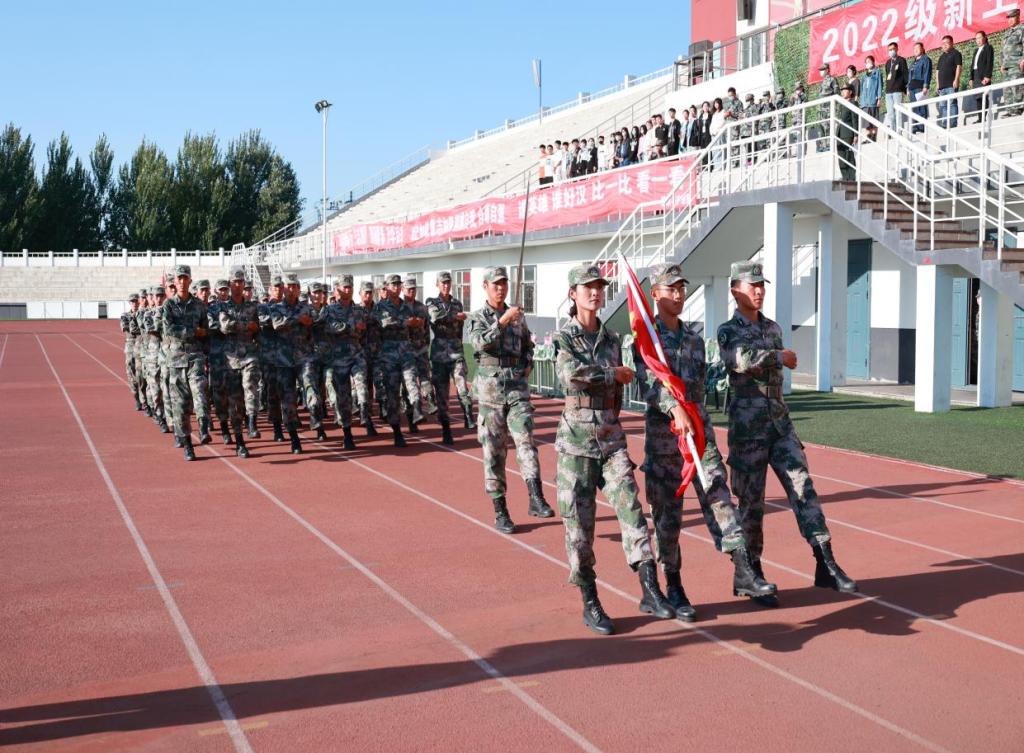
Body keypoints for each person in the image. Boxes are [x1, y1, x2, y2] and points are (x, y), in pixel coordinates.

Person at [636, 264, 776, 619]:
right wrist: (673, 409)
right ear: (655, 294)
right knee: (668, 518)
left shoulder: (694, 338)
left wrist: (693, 416)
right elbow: (647, 383)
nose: (678, 294)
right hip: (664, 440)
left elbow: (698, 388)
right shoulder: (646, 338)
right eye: (671, 289)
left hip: (699, 433)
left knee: (718, 493)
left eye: (682, 288)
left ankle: (743, 567)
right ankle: (674, 586)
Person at [717, 261, 857, 600]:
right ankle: (751, 574)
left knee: (803, 487)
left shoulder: (773, 328)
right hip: (748, 432)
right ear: (735, 290)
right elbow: (740, 360)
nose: (759, 291)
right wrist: (777, 356)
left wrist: (775, 355)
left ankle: (825, 562)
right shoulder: (727, 330)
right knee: (751, 505)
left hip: (780, 425)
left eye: (761, 285)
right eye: (752, 285)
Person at [554, 264, 675, 635]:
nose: (595, 292)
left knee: (632, 510)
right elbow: (570, 375)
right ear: (573, 293)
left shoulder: (611, 338)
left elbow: (624, 385)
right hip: (576, 443)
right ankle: (590, 599)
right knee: (579, 527)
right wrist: (610, 374)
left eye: (599, 286)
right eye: (587, 287)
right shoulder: (564, 337)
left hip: (611, 437)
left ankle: (649, 587)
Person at [467, 265, 553, 533]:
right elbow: (479, 343)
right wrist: (503, 320)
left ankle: (535, 496)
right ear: (485, 287)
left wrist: (527, 363)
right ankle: (500, 511)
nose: (501, 288)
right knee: (494, 453)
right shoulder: (477, 317)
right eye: (496, 284)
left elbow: (528, 345)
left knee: (526, 440)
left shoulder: (518, 316)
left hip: (517, 389)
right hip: (490, 393)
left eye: (503, 283)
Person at [162, 264, 212, 460]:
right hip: (175, 360)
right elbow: (169, 329)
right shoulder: (168, 305)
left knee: (200, 392)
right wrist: (192, 331)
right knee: (181, 406)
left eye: (185, 278)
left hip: (195, 356)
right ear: (175, 282)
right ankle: (188, 444)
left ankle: (204, 427)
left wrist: (206, 353)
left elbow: (205, 331)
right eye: (179, 278)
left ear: (190, 280)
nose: (182, 282)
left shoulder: (199, 305)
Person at [318, 275, 369, 449]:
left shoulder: (359, 310)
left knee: (361, 382)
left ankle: (363, 410)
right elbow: (328, 328)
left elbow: (364, 330)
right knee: (343, 398)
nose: (348, 290)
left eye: (350, 287)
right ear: (338, 289)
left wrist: (353, 329)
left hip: (356, 354)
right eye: (344, 287)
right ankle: (347, 433)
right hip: (338, 359)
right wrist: (350, 327)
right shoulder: (329, 310)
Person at [374, 273, 424, 447]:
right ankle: (396, 431)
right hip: (388, 354)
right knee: (392, 393)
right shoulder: (380, 306)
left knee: (411, 382)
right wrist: (406, 322)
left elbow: (416, 325)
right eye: (393, 285)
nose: (396, 287)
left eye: (398, 285)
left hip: (406, 351)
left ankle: (416, 409)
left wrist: (415, 323)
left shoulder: (406, 306)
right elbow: (384, 323)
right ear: (387, 287)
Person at [216, 266, 260, 458]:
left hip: (249, 355)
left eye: (241, 281)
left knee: (250, 385)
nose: (238, 285)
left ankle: (252, 421)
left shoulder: (252, 307)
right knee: (235, 402)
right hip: (231, 360)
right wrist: (246, 326)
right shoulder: (223, 307)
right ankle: (239, 440)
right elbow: (225, 327)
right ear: (230, 283)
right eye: (235, 282)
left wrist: (253, 328)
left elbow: (258, 328)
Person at [427, 271, 475, 445]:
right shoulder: (431, 302)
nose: (446, 286)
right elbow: (435, 317)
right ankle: (446, 429)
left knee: (462, 384)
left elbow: (459, 328)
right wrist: (454, 316)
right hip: (440, 354)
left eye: (448, 283)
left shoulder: (457, 303)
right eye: (443, 283)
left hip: (456, 351)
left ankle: (468, 414)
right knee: (442, 395)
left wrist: (460, 345)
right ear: (437, 284)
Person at [271, 272, 316, 453]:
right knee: (288, 401)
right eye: (287, 286)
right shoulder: (276, 308)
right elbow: (277, 324)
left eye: (294, 286)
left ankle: (315, 412)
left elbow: (315, 325)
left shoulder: (307, 308)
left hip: (303, 357)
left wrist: (309, 323)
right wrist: (297, 320)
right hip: (283, 360)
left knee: (310, 383)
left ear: (298, 289)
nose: (290, 290)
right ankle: (294, 438)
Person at [403, 275, 436, 427]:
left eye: (413, 289)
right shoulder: (400, 307)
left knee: (425, 377)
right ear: (403, 290)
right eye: (409, 289)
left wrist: (426, 345)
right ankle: (413, 413)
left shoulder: (422, 307)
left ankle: (430, 402)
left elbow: (426, 328)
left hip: (420, 348)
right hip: (405, 350)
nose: (412, 291)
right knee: (409, 382)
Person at [258, 276, 286, 442]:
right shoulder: (263, 308)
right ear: (270, 290)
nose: (278, 290)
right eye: (275, 287)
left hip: (287, 356)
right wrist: (286, 319)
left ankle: (289, 421)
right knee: (273, 392)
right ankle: (277, 427)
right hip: (269, 357)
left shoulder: (288, 306)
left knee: (288, 392)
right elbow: (266, 322)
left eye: (280, 287)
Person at [142, 286, 169, 435]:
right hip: (152, 356)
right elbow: (153, 328)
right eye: (156, 296)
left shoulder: (169, 311)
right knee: (156, 390)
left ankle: (168, 417)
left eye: (161, 296)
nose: (158, 299)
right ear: (151, 298)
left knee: (168, 389)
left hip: (167, 355)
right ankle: (160, 416)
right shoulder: (148, 314)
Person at [207, 279, 232, 444]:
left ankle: (240, 424)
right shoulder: (211, 309)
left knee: (236, 394)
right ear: (216, 291)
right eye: (221, 290)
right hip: (217, 356)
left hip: (235, 355)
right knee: (219, 394)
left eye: (225, 289)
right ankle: (224, 427)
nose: (223, 292)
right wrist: (229, 325)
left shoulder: (233, 306)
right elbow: (212, 325)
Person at [357, 280, 381, 434]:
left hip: (377, 353)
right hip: (361, 354)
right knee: (364, 386)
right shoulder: (356, 310)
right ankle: (367, 419)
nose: (368, 295)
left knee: (379, 383)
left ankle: (379, 410)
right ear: (360, 293)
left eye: (370, 292)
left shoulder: (379, 309)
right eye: (365, 292)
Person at [121, 293, 144, 410]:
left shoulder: (144, 313)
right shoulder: (125, 315)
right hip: (130, 346)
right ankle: (137, 398)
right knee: (131, 373)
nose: (134, 304)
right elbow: (128, 328)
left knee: (142, 374)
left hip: (142, 345)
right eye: (132, 302)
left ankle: (145, 398)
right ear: (129, 303)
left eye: (136, 301)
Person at [936, 35, 963, 128]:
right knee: (943, 106)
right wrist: (937, 84)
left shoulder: (956, 53)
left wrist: (956, 79)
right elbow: (937, 71)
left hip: (951, 84)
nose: (944, 45)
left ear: (952, 43)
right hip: (942, 86)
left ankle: (953, 123)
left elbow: (959, 67)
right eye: (943, 43)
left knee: (952, 103)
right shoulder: (941, 57)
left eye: (946, 43)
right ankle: (945, 124)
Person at [1001, 9, 1024, 116]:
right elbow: (1003, 50)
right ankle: (1010, 110)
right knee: (1007, 89)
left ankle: (1018, 109)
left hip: (1017, 63)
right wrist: (1002, 63)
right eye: (1008, 18)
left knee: (1017, 87)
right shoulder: (1007, 33)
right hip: (1006, 65)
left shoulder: (1022, 29)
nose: (1010, 20)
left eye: (1012, 17)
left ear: (1018, 17)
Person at [908, 42, 933, 133]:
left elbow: (927, 73)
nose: (915, 50)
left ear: (922, 49)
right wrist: (908, 88)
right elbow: (909, 76)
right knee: (914, 107)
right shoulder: (913, 62)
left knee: (921, 107)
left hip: (920, 86)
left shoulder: (926, 59)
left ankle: (922, 126)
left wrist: (925, 86)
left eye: (917, 48)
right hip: (912, 87)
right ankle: (915, 126)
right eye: (914, 49)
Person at [884, 41, 909, 130]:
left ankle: (899, 131)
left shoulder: (901, 60)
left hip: (898, 90)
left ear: (897, 49)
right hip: (889, 91)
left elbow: (905, 74)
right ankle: (893, 131)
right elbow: (887, 75)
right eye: (889, 50)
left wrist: (906, 88)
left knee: (898, 112)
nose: (891, 51)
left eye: (893, 49)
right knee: (890, 113)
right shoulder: (888, 63)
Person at [837, 84, 859, 181]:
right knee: (841, 156)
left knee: (848, 155)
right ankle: (845, 177)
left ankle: (851, 178)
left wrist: (855, 134)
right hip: (839, 132)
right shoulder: (841, 104)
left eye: (845, 90)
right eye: (842, 90)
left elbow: (855, 119)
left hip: (848, 132)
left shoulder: (853, 103)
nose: (842, 92)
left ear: (850, 92)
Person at [970, 31, 993, 121]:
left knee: (984, 96)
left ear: (985, 37)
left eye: (979, 38)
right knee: (978, 97)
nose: (978, 40)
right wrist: (971, 78)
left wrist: (987, 76)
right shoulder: (976, 50)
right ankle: (980, 118)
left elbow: (989, 62)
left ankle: (983, 117)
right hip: (975, 75)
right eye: (976, 39)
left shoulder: (988, 48)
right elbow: (973, 65)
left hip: (983, 75)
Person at [859, 55, 883, 140]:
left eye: (869, 61)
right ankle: (868, 137)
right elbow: (862, 89)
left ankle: (874, 136)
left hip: (873, 100)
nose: (867, 63)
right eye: (866, 62)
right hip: (865, 102)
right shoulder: (864, 76)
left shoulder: (877, 73)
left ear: (873, 62)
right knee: (866, 121)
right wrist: (861, 101)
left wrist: (879, 98)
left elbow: (879, 86)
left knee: (874, 119)